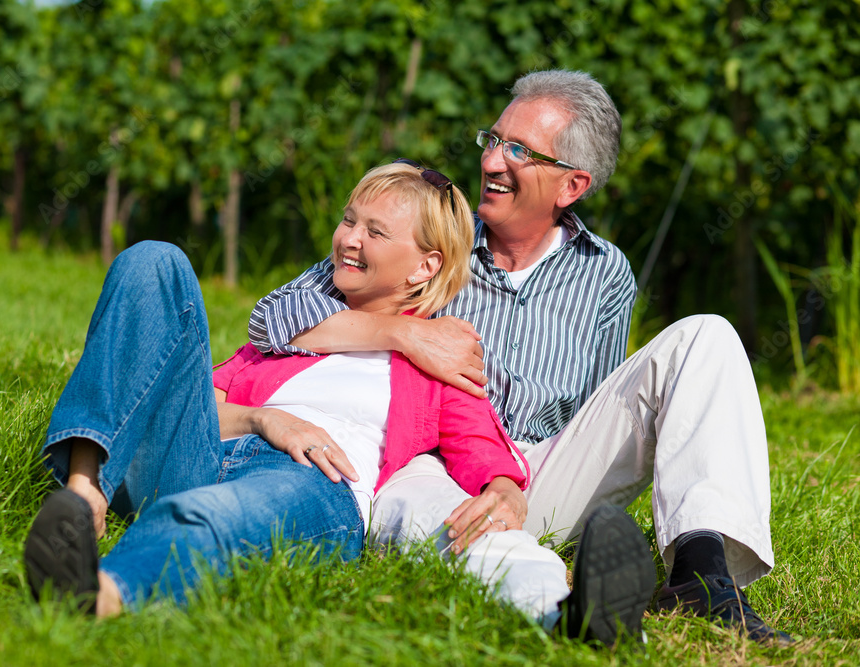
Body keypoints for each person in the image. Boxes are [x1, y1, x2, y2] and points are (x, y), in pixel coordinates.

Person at [247, 70, 793, 645]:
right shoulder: (433, 238)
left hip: (546, 470)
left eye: (519, 151)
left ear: (571, 185)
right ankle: (558, 604)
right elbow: (270, 322)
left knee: (705, 334)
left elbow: (600, 404)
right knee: (424, 498)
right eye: (493, 140)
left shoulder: (605, 272)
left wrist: (529, 481)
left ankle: (704, 575)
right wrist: (402, 334)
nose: (490, 162)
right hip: (434, 458)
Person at [23, 161, 656, 644]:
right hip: (204, 451)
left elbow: (480, 442)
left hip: (313, 483)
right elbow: (184, 400)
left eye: (375, 231)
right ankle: (85, 491)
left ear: (422, 268)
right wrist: (263, 417)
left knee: (222, 516)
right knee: (153, 260)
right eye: (349, 219)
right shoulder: (299, 330)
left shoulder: (440, 357)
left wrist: (502, 487)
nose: (348, 238)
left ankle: (101, 589)